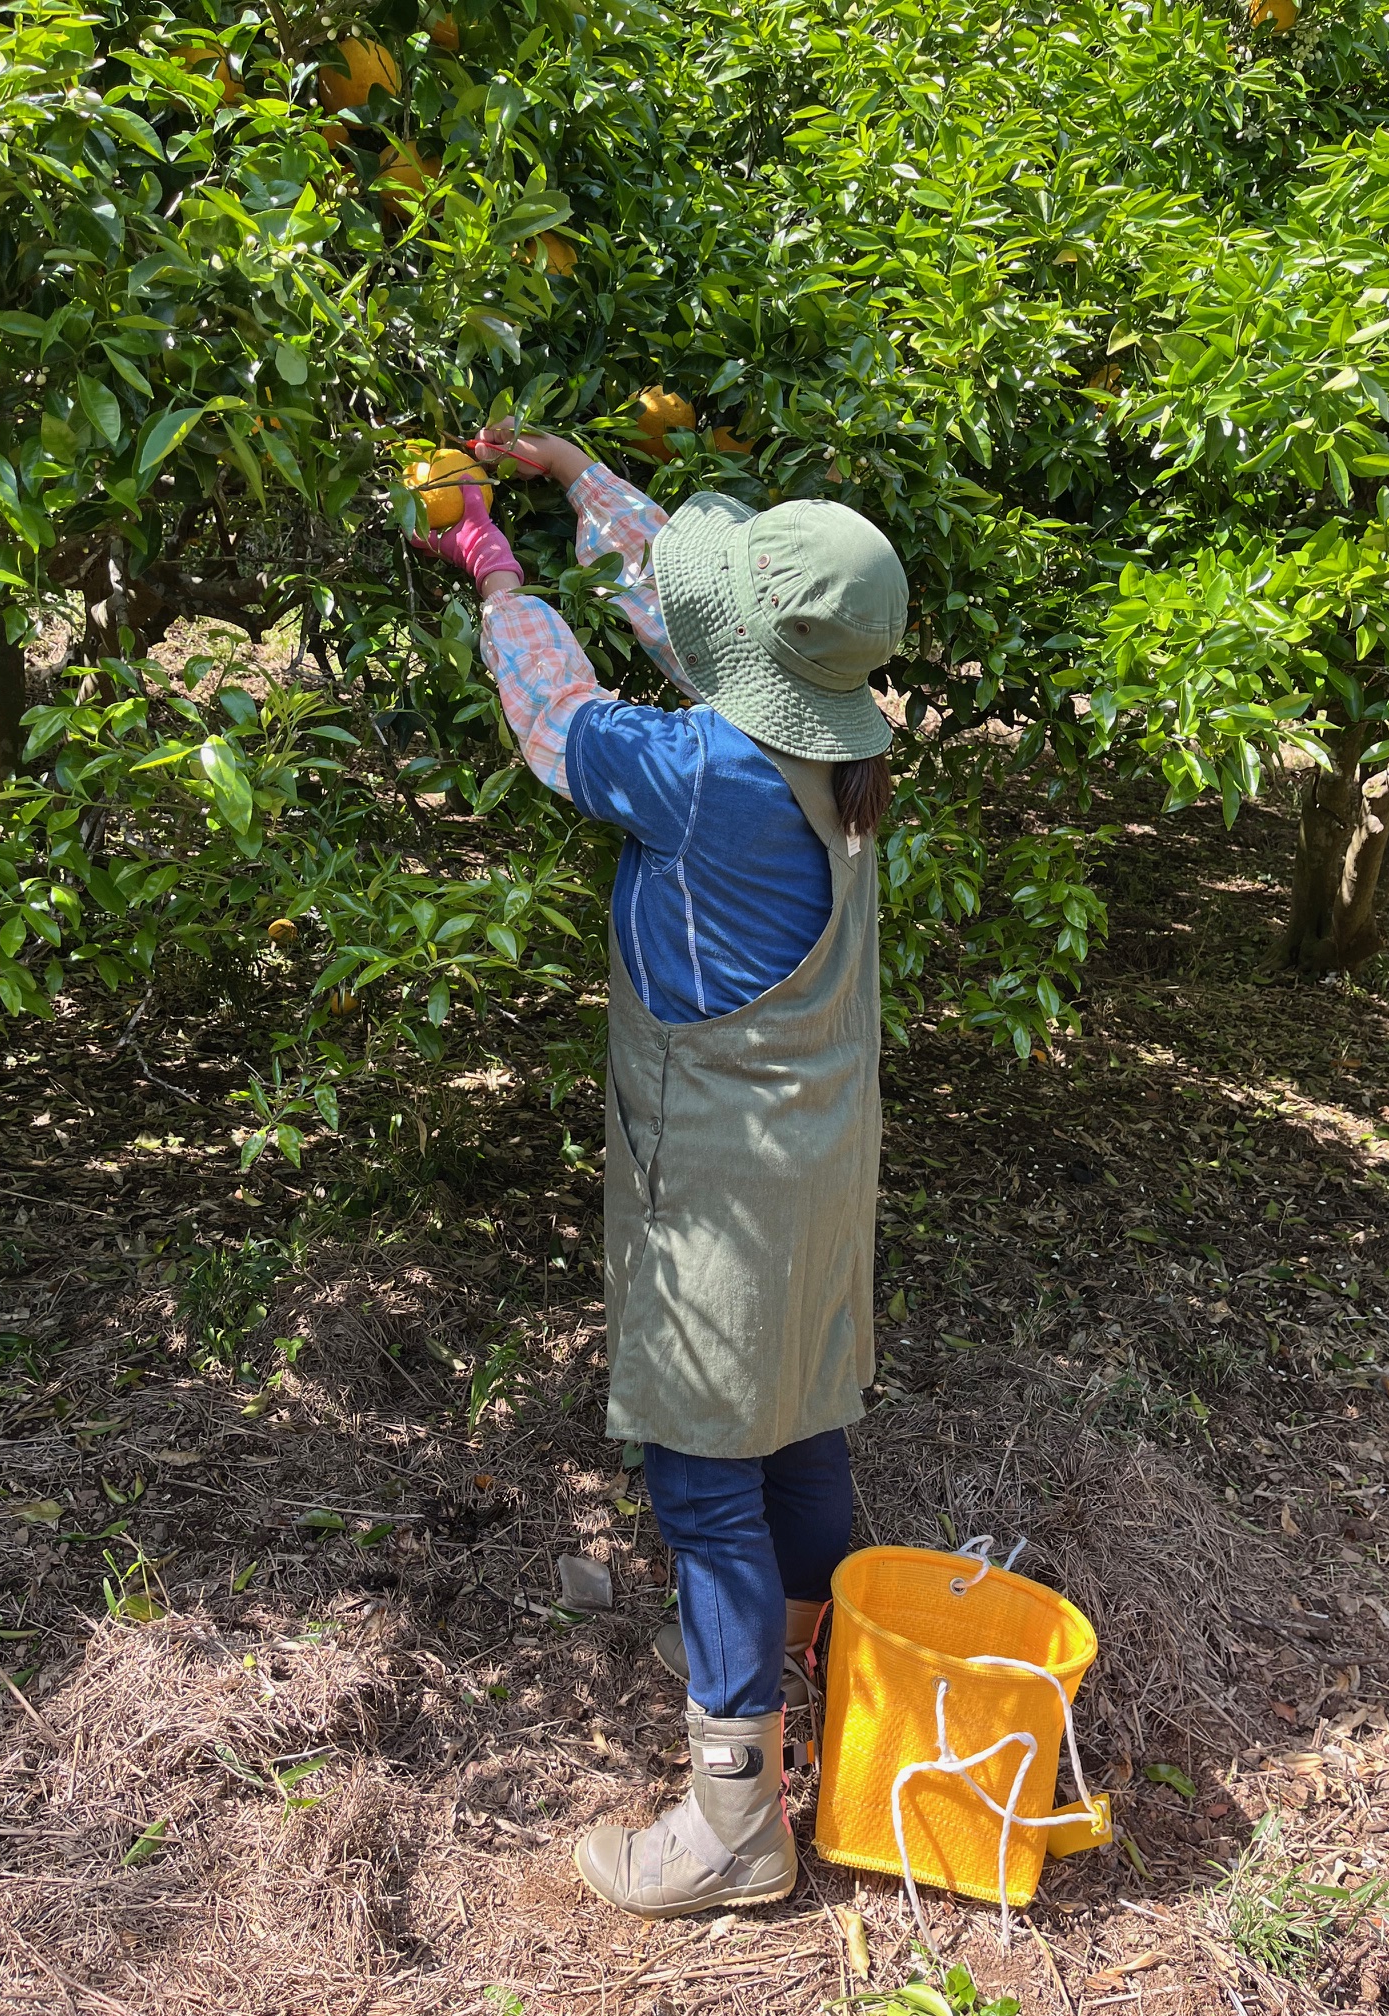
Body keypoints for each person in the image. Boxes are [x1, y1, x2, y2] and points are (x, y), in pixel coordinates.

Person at [418, 422, 907, 1920]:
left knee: (705, 1485)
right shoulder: (845, 747)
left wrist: (489, 559)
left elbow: (555, 712)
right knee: (800, 1430)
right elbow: (688, 615)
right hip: (819, 1170)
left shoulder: (699, 774)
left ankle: (734, 1825)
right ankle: (845, 1712)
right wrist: (578, 479)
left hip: (725, 1188)